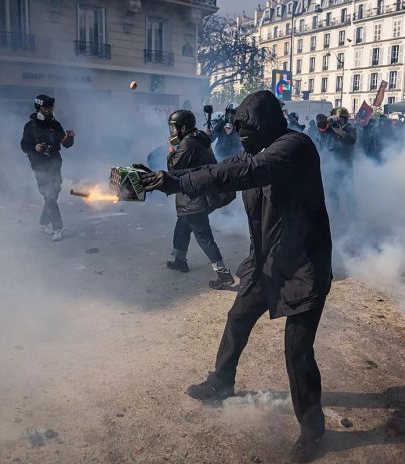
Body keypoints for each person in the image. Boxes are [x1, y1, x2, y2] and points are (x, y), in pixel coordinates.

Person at [140, 91, 333, 463]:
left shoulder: (293, 146)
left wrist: (179, 184)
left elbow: (244, 171)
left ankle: (313, 430)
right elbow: (224, 174)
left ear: (265, 124)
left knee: (298, 351)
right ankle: (222, 381)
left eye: (248, 130)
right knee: (238, 317)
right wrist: (167, 179)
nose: (242, 139)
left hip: (305, 266)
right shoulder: (257, 150)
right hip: (267, 259)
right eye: (239, 132)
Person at [162, 109, 235, 290]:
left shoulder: (187, 144)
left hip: (194, 196)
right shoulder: (199, 139)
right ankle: (180, 259)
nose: (172, 131)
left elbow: (173, 168)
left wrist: (171, 151)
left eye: (173, 127)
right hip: (199, 191)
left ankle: (223, 273)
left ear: (183, 127)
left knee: (203, 235)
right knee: (182, 226)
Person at [20, 94, 75, 241]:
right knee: (49, 196)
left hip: (55, 165)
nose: (48, 111)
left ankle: (43, 222)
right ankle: (58, 228)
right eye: (45, 108)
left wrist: (70, 137)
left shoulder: (55, 125)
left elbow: (66, 144)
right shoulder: (30, 126)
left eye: (50, 108)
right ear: (38, 107)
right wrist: (34, 147)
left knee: (53, 194)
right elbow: (23, 146)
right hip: (39, 166)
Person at [316, 107, 357, 215]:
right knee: (333, 192)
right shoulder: (328, 128)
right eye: (339, 119)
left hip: (346, 165)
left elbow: (352, 140)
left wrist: (341, 132)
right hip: (331, 166)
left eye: (343, 119)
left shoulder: (350, 128)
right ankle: (336, 214)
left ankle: (354, 215)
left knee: (348, 192)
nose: (340, 121)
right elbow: (320, 126)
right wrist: (327, 120)